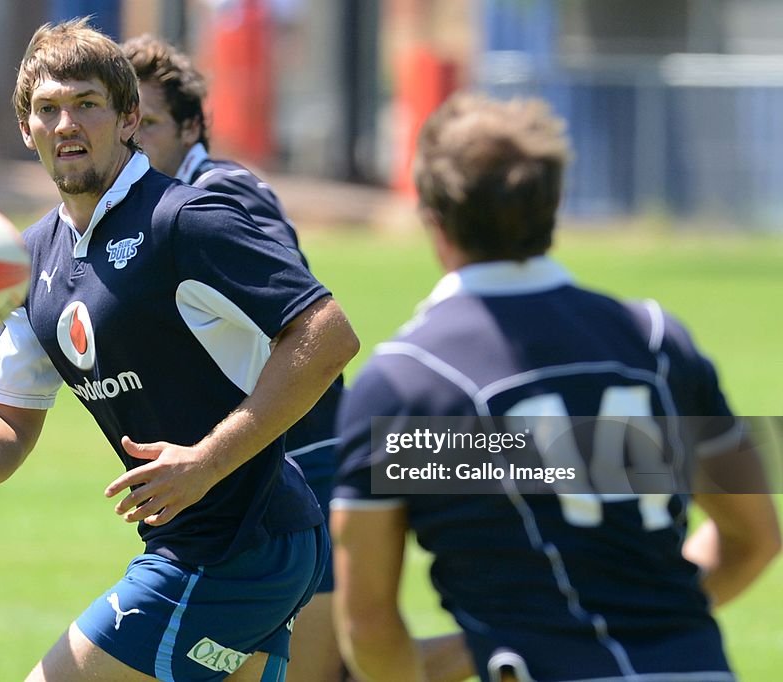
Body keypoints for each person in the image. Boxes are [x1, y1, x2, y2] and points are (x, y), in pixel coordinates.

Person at [0, 18, 359, 682]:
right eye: (48, 109)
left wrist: (207, 460)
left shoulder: (185, 220)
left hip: (239, 544)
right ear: (25, 128)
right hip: (224, 543)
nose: (67, 123)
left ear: (127, 117)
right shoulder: (27, 261)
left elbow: (328, 336)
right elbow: (7, 419)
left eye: (87, 104)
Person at [330, 93, 781, 682]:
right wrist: (637, 620)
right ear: (555, 203)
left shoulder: (404, 383)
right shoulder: (659, 340)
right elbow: (754, 538)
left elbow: (367, 624)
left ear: (431, 215)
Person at [121, 33, 346, 682]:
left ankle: (519, 645)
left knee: (322, 672)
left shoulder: (223, 199)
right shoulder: (149, 213)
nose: (135, 145)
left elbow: (309, 330)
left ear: (192, 128)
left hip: (304, 460)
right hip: (252, 475)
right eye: (128, 126)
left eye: (152, 125)